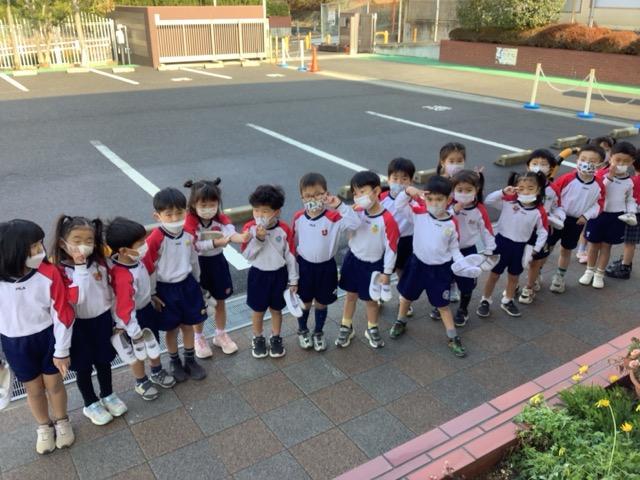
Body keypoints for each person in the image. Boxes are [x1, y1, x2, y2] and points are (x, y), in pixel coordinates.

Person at [0, 219, 75, 454]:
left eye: (40, 243)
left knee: (54, 384)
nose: (40, 250)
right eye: (33, 246)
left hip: (48, 337)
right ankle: (44, 426)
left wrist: (61, 350)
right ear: (13, 250)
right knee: (33, 389)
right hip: (14, 343)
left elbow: (62, 313)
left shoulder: (49, 273)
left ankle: (62, 420)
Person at [51, 215, 127, 425]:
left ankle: (108, 394)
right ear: (63, 244)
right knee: (83, 367)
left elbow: (111, 294)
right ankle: (90, 403)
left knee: (104, 361)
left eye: (89, 241)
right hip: (78, 327)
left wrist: (118, 321)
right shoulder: (60, 272)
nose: (83, 246)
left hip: (101, 321)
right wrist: (80, 267)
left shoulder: (100, 264)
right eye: (76, 241)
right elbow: (78, 298)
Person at [391, 176, 467, 357]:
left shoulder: (451, 223)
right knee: (406, 297)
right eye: (430, 199)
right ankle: (400, 321)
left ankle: (453, 336)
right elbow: (399, 205)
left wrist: (462, 262)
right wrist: (408, 191)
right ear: (424, 197)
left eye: (439, 199)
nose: (434, 203)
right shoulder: (418, 214)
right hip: (416, 265)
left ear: (449, 200)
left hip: (440, 270)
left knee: (443, 305)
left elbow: (454, 248)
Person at [106, 217, 176, 401]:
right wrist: (134, 331)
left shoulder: (137, 260)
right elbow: (124, 308)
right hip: (130, 320)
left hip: (145, 309)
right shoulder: (123, 276)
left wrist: (152, 295)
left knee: (152, 342)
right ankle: (141, 380)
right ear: (123, 250)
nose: (145, 245)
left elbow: (146, 281)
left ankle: (156, 371)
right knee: (137, 350)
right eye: (140, 243)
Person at [143, 188, 207, 382]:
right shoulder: (155, 239)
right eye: (168, 214)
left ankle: (190, 360)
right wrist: (152, 293)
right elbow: (149, 268)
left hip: (187, 285)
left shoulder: (188, 234)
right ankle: (174, 361)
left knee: (188, 325)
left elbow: (194, 259)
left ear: (185, 211)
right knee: (171, 328)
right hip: (165, 289)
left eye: (179, 213)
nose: (174, 218)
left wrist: (197, 281)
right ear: (158, 216)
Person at [292, 173, 360, 351]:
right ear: (302, 197)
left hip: (326, 267)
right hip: (304, 267)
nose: (313, 199)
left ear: (326, 194)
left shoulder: (334, 217)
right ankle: (302, 330)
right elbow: (294, 244)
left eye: (318, 194)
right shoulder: (298, 218)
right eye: (308, 196)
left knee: (322, 302)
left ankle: (318, 332)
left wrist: (339, 205)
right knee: (305, 302)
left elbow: (355, 223)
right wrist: (292, 273)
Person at [183, 178, 247, 358]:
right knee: (200, 304)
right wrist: (214, 243)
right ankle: (198, 338)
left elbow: (232, 234)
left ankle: (220, 334)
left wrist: (244, 237)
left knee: (220, 302)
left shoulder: (221, 219)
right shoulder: (190, 222)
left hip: (218, 264)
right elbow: (193, 245)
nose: (208, 209)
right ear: (193, 204)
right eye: (203, 205)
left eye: (212, 204)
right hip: (198, 266)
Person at [336, 171, 399, 349]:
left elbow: (392, 248)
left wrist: (387, 272)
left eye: (362, 192)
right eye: (355, 193)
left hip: (374, 265)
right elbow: (344, 228)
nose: (358, 197)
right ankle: (346, 326)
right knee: (350, 296)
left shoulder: (388, 219)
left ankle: (372, 328)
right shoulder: (357, 212)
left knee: (372, 301)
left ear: (376, 191)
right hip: (353, 260)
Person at [476, 172, 548, 318]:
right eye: (521, 188)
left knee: (514, 277)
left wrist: (536, 249)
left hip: (520, 247)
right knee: (494, 274)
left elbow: (543, 231)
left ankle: (507, 300)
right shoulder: (509, 202)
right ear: (515, 188)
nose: (526, 192)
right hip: (501, 243)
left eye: (530, 188)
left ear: (538, 190)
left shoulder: (539, 211)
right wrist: (503, 192)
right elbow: (489, 201)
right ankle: (485, 300)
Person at [241, 185, 298, 359]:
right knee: (258, 310)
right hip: (258, 275)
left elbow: (291, 257)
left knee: (276, 309)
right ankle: (258, 338)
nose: (259, 215)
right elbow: (247, 255)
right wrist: (259, 239)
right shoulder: (249, 228)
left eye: (265, 211)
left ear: (276, 212)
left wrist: (294, 280)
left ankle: (276, 337)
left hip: (279, 275)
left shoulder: (284, 229)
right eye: (256, 210)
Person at [579, 141, 637, 289]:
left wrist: (631, 212)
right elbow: (598, 191)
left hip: (616, 217)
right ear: (610, 158)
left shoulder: (629, 182)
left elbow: (630, 199)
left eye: (625, 161)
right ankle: (589, 271)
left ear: (632, 162)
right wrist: (610, 177)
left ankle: (599, 274)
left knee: (606, 247)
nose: (621, 164)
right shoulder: (601, 175)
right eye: (618, 160)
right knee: (593, 245)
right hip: (599, 214)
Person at [448, 170, 495, 326]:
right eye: (460, 190)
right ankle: (441, 304)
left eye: (468, 190)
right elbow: (439, 219)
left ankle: (463, 309)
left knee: (467, 283)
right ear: (453, 190)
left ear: (477, 189)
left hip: (468, 251)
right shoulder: (449, 205)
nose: (464, 194)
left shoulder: (479, 209)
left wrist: (490, 249)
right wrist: (454, 210)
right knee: (444, 278)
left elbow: (487, 230)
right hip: (448, 251)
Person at [519, 149, 564, 304]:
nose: (539, 167)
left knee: (536, 261)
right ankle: (515, 283)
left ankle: (529, 287)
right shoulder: (520, 185)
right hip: (521, 230)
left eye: (544, 164)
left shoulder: (553, 189)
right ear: (528, 166)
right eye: (535, 163)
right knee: (518, 259)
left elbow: (558, 206)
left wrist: (559, 217)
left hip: (542, 231)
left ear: (551, 168)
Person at [575, 137, 614, 263]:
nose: (605, 152)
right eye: (602, 149)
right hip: (588, 203)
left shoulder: (610, 168)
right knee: (585, 227)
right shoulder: (587, 168)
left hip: (602, 204)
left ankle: (588, 251)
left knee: (592, 229)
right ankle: (581, 249)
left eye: (607, 150)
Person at [606, 151, 640, 279]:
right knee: (631, 242)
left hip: (634, 214)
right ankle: (626, 261)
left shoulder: (634, 180)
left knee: (629, 242)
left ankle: (625, 266)